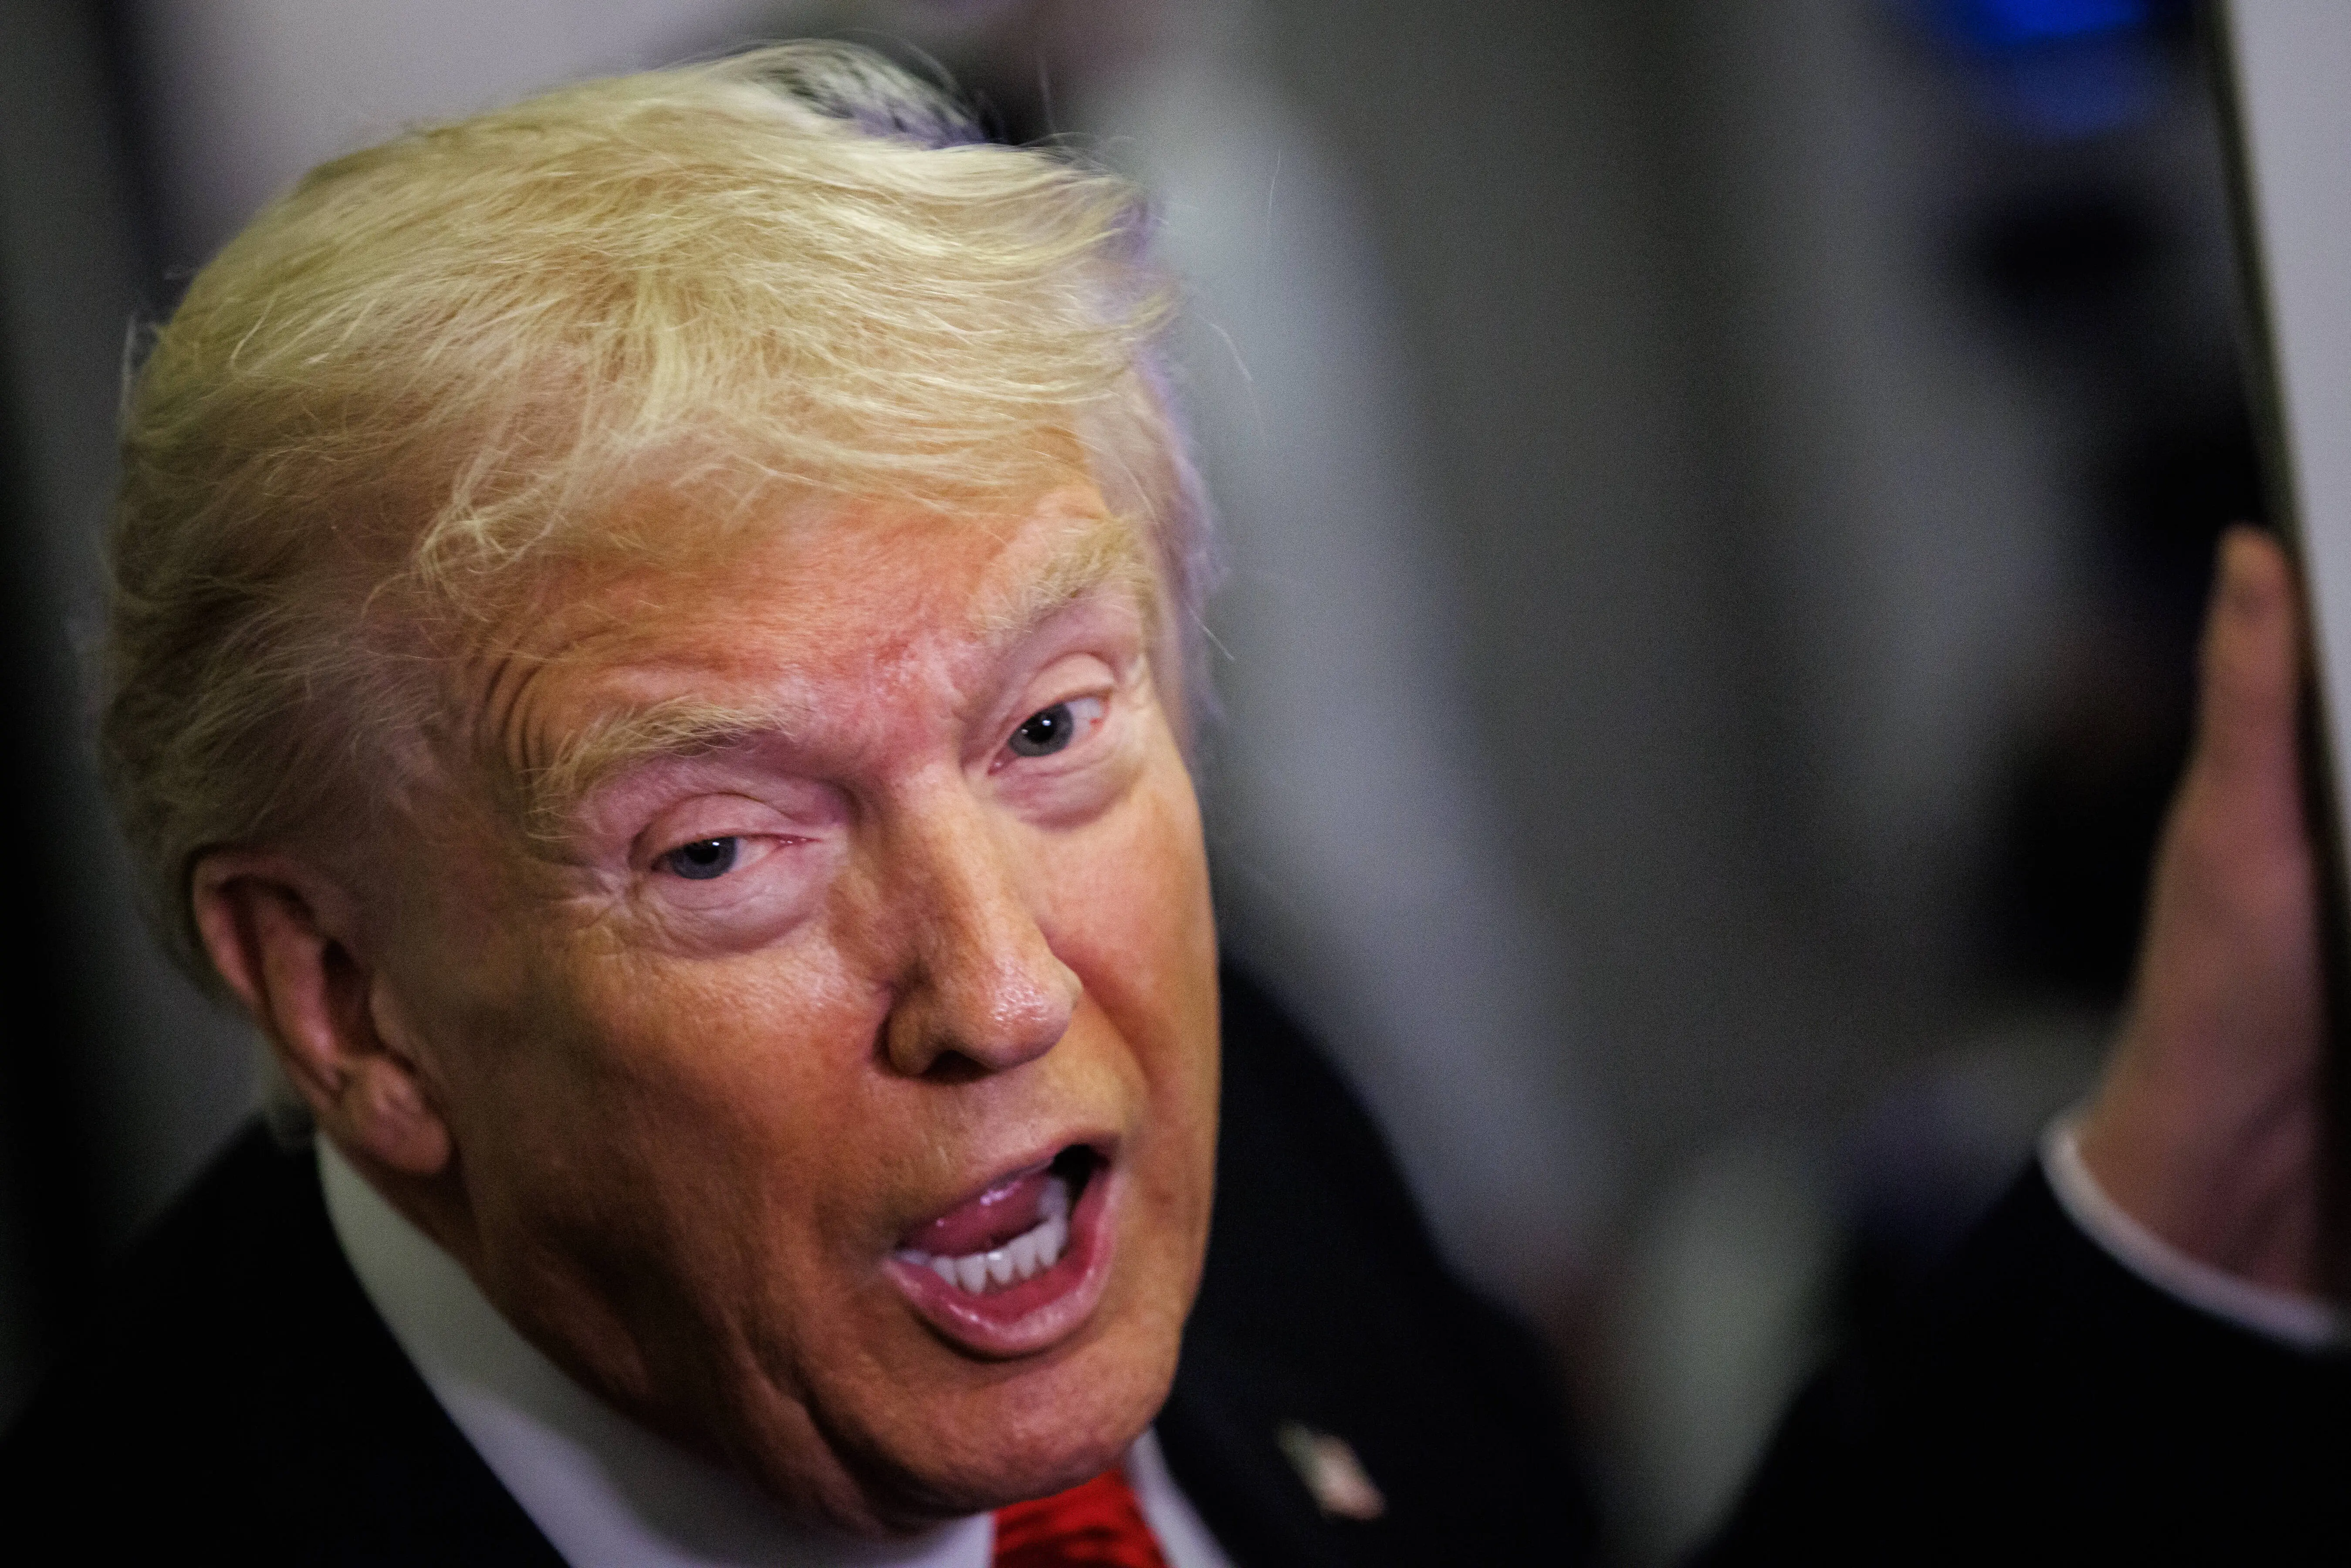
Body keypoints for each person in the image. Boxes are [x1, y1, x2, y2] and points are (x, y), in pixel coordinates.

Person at [0, 43, 2341, 1565]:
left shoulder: (1257, 1149)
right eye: (726, 850)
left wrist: (2193, 1182)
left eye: (1046, 734)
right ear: (346, 1000)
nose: (1007, 987)